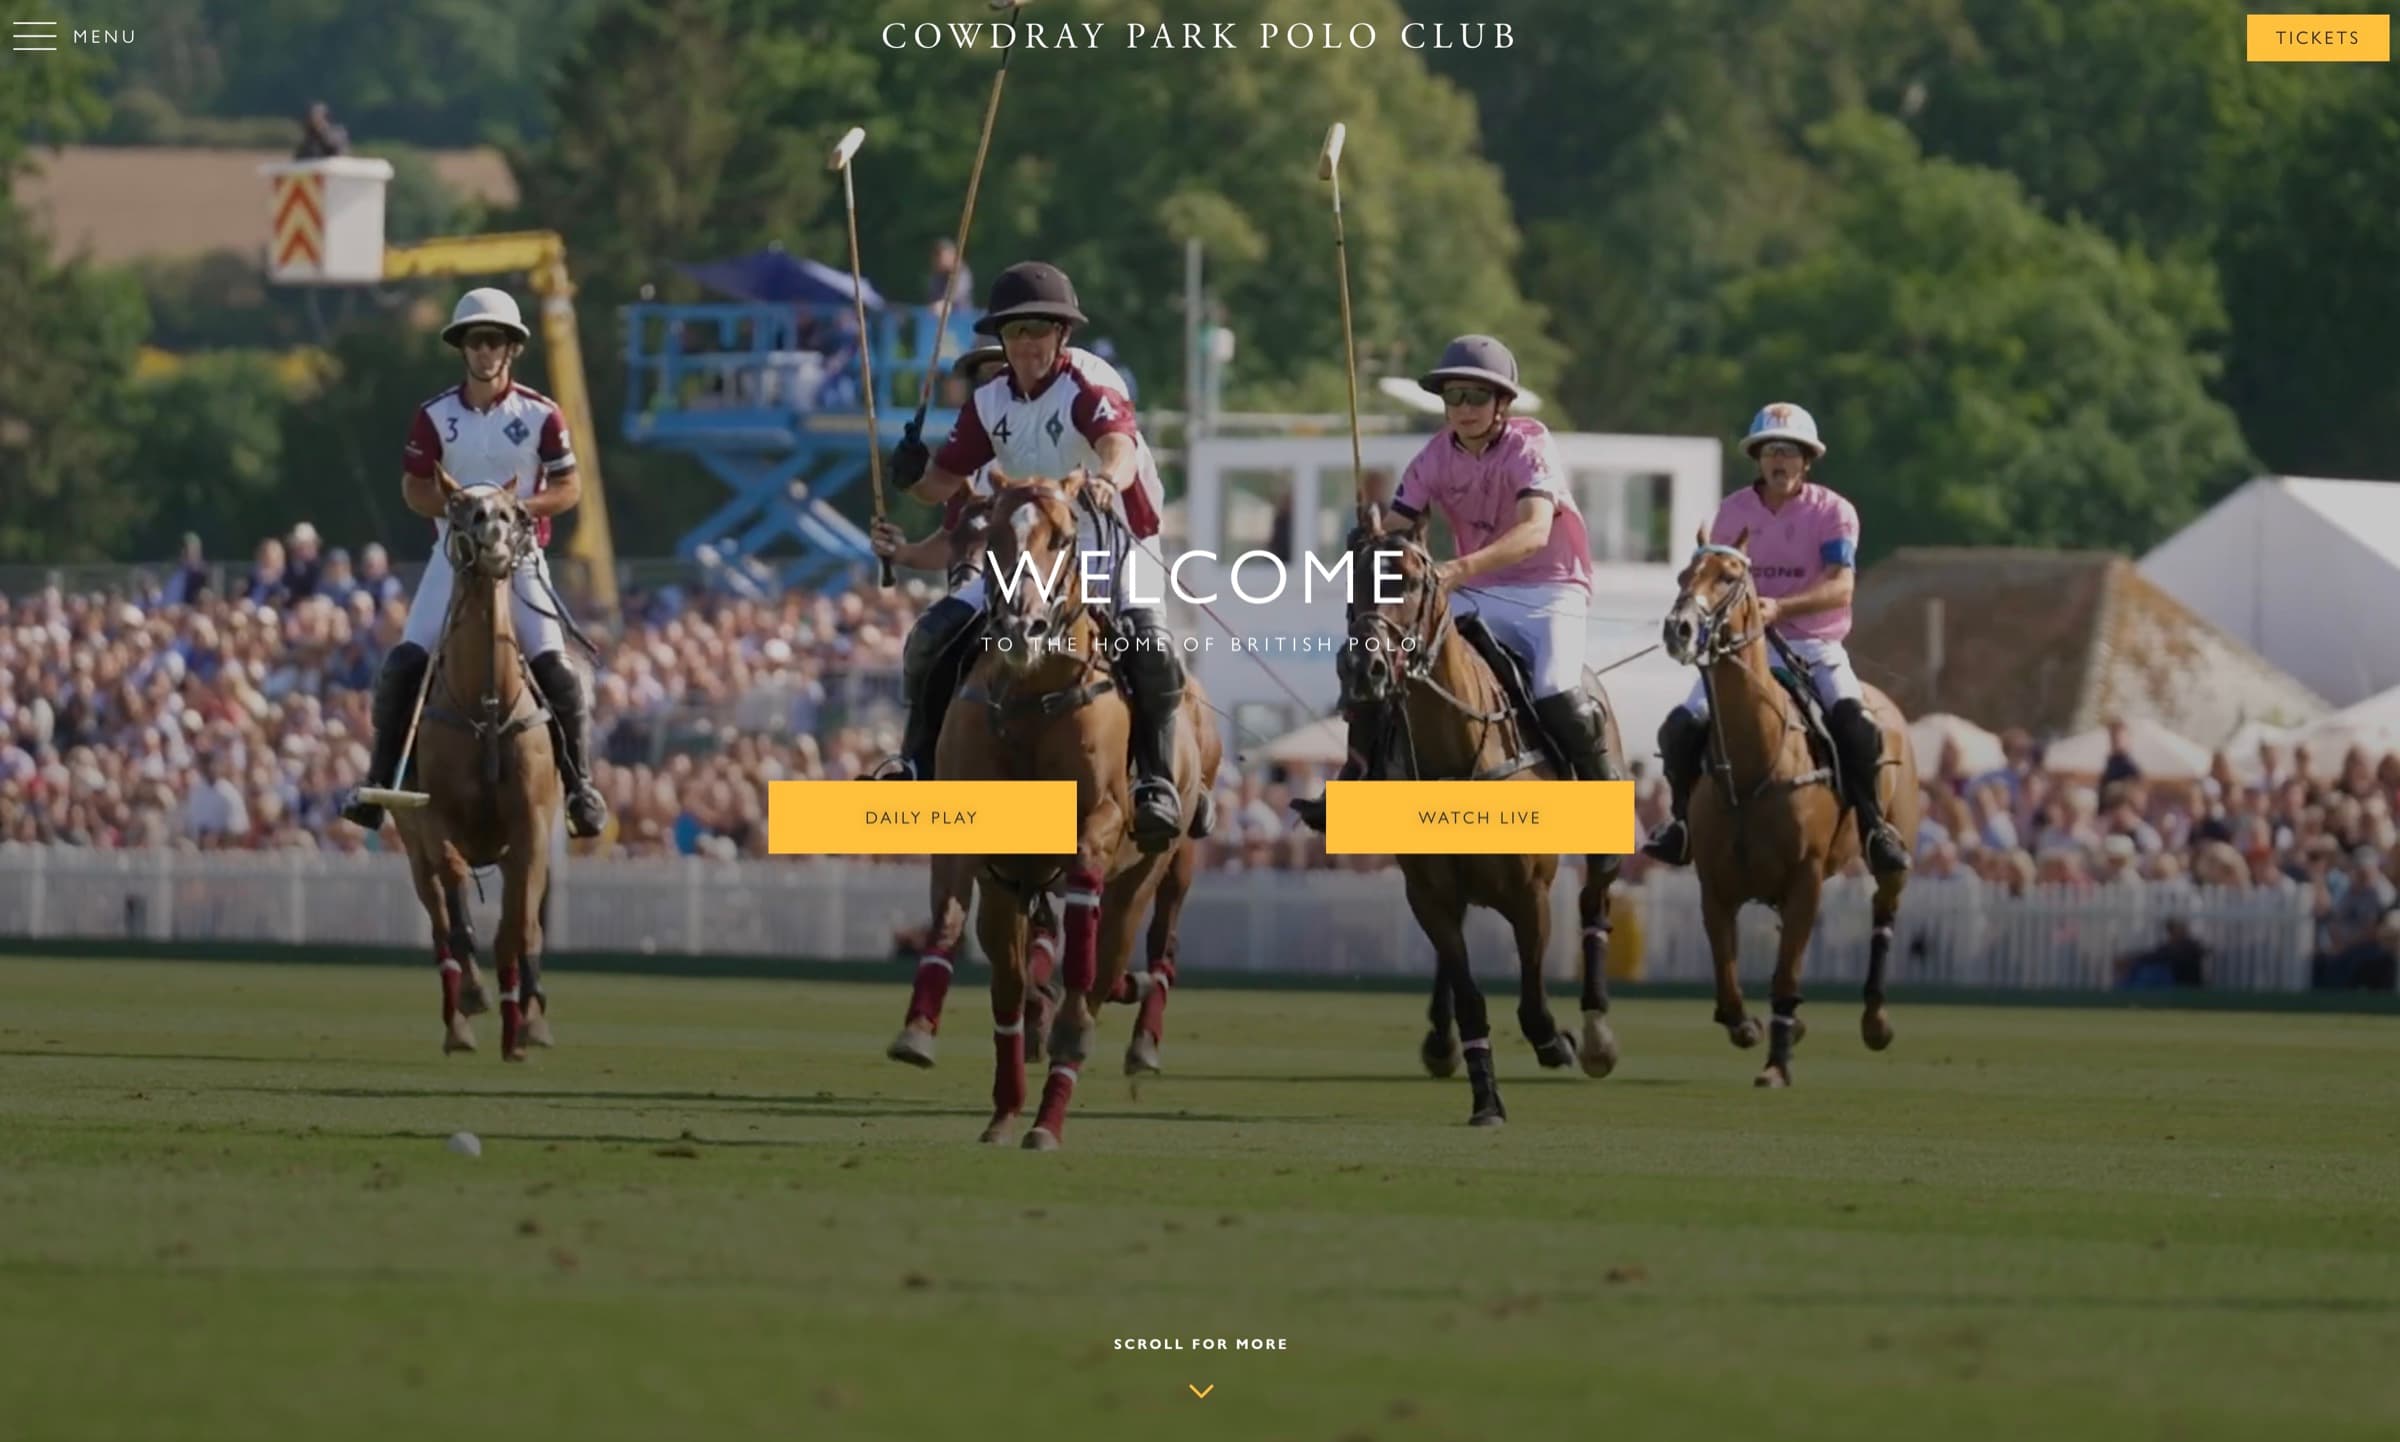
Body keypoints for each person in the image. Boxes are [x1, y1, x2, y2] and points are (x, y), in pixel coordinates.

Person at [886, 261, 1182, 850]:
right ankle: (915, 765)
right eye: (1017, 332)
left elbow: (1118, 447)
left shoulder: (1086, 389)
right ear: (1002, 339)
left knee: (1149, 643)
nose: (1028, 344)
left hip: (1110, 530)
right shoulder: (989, 402)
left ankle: (1157, 780)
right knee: (932, 634)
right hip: (1031, 540)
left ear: (1062, 336)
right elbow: (943, 484)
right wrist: (912, 476)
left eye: (1041, 330)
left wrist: (1107, 477)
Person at [1292, 335, 1617, 830]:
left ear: (1502, 403)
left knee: (1554, 686)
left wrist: (1456, 570)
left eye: (1477, 397)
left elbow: (1533, 532)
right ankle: (1358, 780)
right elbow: (1398, 529)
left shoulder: (1530, 446)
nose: (1463, 409)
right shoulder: (1433, 458)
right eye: (1454, 397)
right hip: (1476, 588)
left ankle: (1602, 808)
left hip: (1551, 589)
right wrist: (1369, 536)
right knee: (1385, 658)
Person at [338, 287, 608, 839]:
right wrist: (463, 514)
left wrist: (514, 511)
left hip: (522, 558)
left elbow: (569, 485)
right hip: (454, 557)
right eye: (474, 342)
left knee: (558, 671)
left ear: (511, 349)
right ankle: (379, 781)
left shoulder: (541, 415)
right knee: (405, 664)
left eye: (494, 342)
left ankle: (580, 787)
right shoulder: (435, 416)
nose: (484, 352)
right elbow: (415, 488)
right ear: (462, 349)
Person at [1641, 402, 1912, 876]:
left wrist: (1780, 608)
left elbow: (1841, 586)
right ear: (1759, 460)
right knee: (1680, 727)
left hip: (1813, 646)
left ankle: (1872, 827)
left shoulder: (1833, 512)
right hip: (1743, 650)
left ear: (1807, 460)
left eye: (1790, 451)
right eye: (1770, 451)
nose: (1779, 460)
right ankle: (1681, 822)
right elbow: (1709, 581)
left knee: (1857, 726)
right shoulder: (1732, 512)